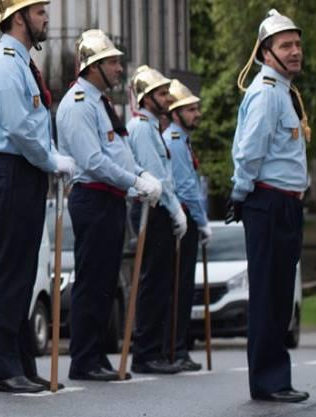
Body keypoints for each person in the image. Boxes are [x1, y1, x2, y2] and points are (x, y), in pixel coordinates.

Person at [0, 0, 76, 394]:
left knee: (23, 273)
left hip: (24, 171)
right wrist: (51, 159)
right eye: (38, 12)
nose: (45, 18)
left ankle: (21, 361)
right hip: (11, 170)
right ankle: (3, 367)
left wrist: (48, 160)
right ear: (18, 18)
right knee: (9, 272)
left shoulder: (20, 63)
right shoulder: (5, 64)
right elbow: (19, 127)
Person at [54, 31, 164, 381]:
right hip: (93, 197)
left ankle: (97, 355)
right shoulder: (78, 104)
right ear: (94, 66)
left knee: (105, 282)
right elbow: (93, 161)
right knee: (92, 280)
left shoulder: (100, 103)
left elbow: (119, 152)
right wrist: (134, 182)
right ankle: (84, 359)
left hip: (111, 199)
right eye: (113, 62)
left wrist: (140, 173)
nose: (119, 68)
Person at [227, 8, 311, 404]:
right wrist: (239, 192)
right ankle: (267, 380)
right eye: (285, 45)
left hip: (285, 203)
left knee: (280, 294)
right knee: (268, 293)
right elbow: (249, 151)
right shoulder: (265, 93)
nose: (295, 51)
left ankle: (276, 376)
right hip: (268, 201)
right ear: (266, 52)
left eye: (297, 44)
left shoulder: (282, 92)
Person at [126, 66, 190, 375]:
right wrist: (175, 208)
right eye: (162, 94)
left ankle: (156, 350)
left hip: (158, 207)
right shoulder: (141, 128)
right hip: (151, 208)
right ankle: (146, 352)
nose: (168, 99)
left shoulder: (151, 127)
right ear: (146, 98)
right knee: (153, 282)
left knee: (161, 282)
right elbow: (157, 176)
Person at [162, 79, 209, 372]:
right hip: (183, 218)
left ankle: (177, 347)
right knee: (180, 287)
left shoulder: (182, 140)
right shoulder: (176, 142)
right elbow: (187, 189)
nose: (196, 114)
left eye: (196, 109)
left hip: (186, 216)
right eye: (190, 109)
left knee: (183, 287)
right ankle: (176, 348)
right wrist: (203, 222)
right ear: (176, 114)